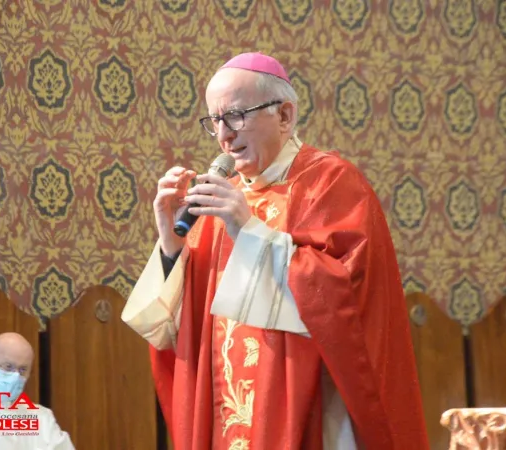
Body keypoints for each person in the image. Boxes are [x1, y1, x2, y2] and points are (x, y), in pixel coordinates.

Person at [121, 52, 429, 449]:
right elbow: (175, 333)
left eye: (235, 116)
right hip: (224, 416)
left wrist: (248, 231)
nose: (223, 136)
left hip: (307, 411)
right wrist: (171, 244)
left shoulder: (330, 182)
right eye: (214, 121)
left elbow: (346, 303)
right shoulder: (221, 203)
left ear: (284, 115)